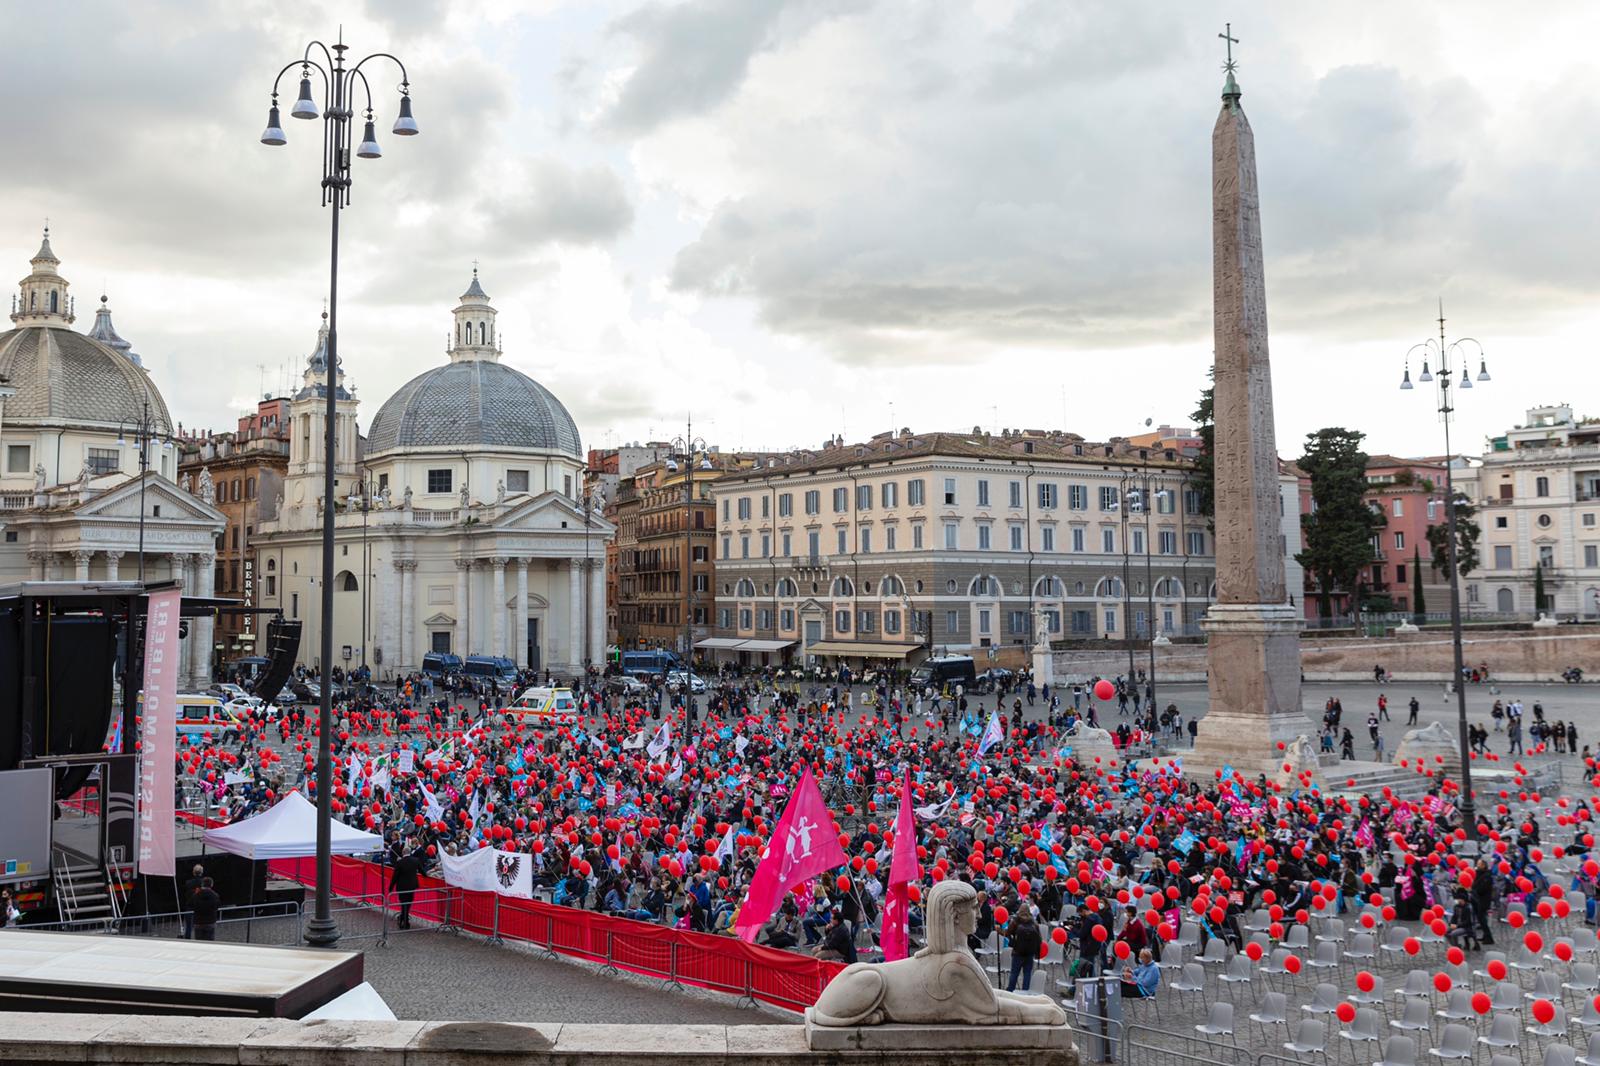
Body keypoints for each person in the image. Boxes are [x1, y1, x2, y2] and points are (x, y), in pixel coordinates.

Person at [1005, 908, 1043, 992]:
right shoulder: (1034, 922)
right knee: (1027, 974)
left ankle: (1010, 991)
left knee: (1014, 973)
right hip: (1030, 953)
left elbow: (1007, 933)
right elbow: (1039, 939)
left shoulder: (1015, 921)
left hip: (1017, 952)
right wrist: (1037, 953)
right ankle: (1025, 992)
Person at [389, 843, 422, 930]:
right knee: (408, 903)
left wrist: (391, 887)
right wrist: (427, 876)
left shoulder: (400, 862)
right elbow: (422, 871)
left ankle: (404, 919)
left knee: (403, 903)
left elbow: (395, 876)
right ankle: (404, 919)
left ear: (403, 853)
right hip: (411, 886)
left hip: (402, 886)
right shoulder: (416, 860)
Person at [191, 877, 221, 941]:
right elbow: (217, 907)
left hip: (198, 922)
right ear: (211, 885)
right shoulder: (215, 895)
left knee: (199, 943)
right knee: (209, 943)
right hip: (210, 922)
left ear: (202, 884)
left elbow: (192, 905)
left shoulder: (196, 895)